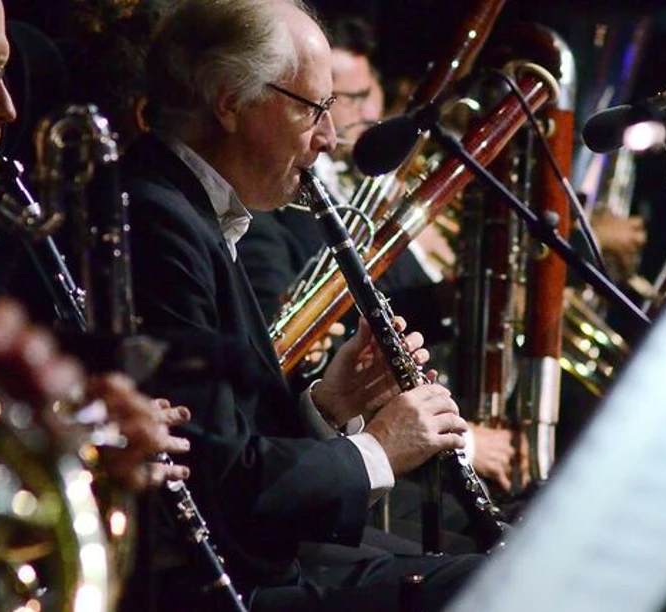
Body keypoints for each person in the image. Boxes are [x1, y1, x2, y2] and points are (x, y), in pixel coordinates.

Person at [128, 1, 481, 609]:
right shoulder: (160, 219)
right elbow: (220, 486)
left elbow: (230, 437)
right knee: (485, 583)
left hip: (246, 560)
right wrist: (380, 448)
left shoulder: (194, 209)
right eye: (312, 109)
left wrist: (326, 405)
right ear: (229, 102)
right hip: (211, 586)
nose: (328, 138)